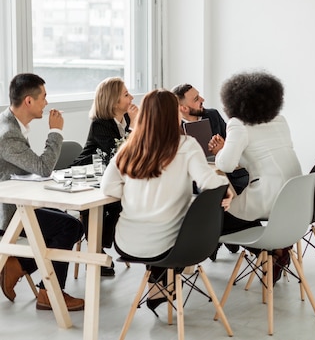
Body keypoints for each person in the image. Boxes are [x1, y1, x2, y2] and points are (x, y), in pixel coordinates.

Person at [100, 89, 233, 315]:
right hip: (169, 245)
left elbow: (108, 187)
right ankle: (160, 282)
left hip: (126, 243)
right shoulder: (186, 145)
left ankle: (157, 282)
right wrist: (226, 189)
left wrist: (137, 193)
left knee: (167, 225)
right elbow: (209, 183)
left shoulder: (128, 147)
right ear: (174, 115)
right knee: (180, 226)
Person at [0, 73, 84, 311]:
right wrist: (55, 132)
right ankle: (49, 293)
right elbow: (43, 167)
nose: (46, 102)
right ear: (29, 101)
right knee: (69, 226)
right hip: (10, 213)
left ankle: (18, 266)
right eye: (43, 97)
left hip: (22, 203)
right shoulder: (7, 134)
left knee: (72, 224)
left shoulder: (13, 125)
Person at [209, 71, 302, 283]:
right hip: (294, 198)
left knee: (219, 212)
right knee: (233, 205)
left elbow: (225, 164)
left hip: (268, 198)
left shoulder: (238, 124)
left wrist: (220, 151)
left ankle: (269, 250)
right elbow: (262, 155)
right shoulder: (279, 120)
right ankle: (272, 249)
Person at [71, 77, 138, 276]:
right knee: (112, 202)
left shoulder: (124, 119)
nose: (132, 98)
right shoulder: (100, 124)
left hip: (106, 175)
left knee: (125, 201)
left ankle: (99, 246)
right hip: (86, 174)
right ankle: (97, 250)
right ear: (113, 102)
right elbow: (117, 154)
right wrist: (134, 127)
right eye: (126, 95)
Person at [171, 83, 249, 194]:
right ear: (183, 108)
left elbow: (234, 143)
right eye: (196, 99)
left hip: (227, 171)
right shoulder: (174, 128)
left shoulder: (213, 115)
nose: (202, 99)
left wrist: (223, 147)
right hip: (196, 178)